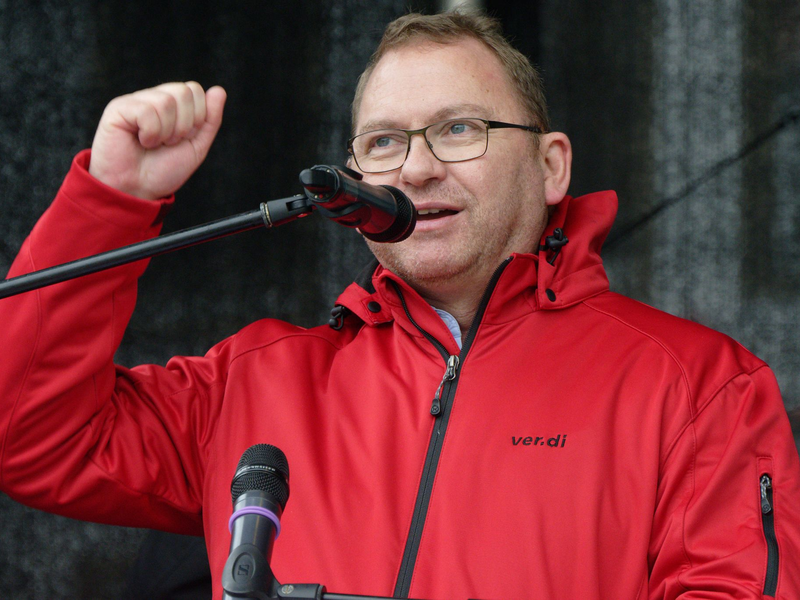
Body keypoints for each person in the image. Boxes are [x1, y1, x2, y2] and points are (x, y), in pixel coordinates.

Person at [1, 10, 799, 600]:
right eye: (384, 143)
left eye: (458, 129)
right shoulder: (254, 381)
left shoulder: (702, 388)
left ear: (553, 167)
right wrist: (111, 200)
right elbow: (30, 435)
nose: (414, 170)